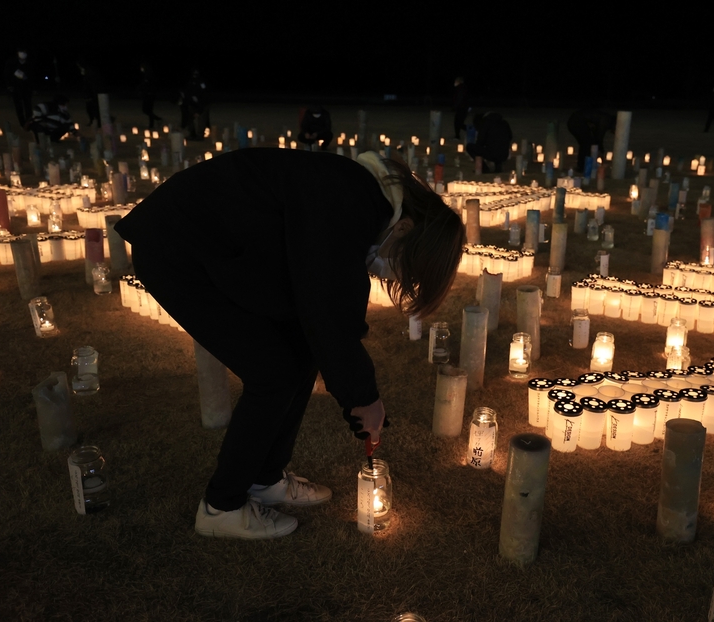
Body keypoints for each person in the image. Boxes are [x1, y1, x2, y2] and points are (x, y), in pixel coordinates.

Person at [114, 150, 465, 539]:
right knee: (273, 374)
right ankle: (222, 506)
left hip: (227, 248)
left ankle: (264, 479)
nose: (393, 274)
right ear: (405, 229)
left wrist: (356, 388)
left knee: (298, 357)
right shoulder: (348, 202)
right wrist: (363, 396)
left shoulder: (364, 199)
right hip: (180, 247)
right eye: (405, 266)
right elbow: (326, 307)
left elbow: (326, 305)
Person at [4, 48, 32, 128]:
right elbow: (7, 74)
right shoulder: (12, 63)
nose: (23, 53)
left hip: (27, 89)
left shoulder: (29, 63)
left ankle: (29, 122)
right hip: (16, 88)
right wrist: (9, 86)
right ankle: (22, 123)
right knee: (19, 107)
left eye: (25, 52)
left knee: (28, 107)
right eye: (22, 52)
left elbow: (32, 76)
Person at [180, 68, 209, 140]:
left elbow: (205, 97)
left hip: (202, 105)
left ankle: (200, 135)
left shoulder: (202, 83)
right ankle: (192, 134)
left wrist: (199, 111)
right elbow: (187, 93)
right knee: (190, 119)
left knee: (201, 120)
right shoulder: (190, 82)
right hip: (192, 104)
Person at [76, 60, 101, 128]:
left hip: (91, 94)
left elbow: (90, 85)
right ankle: (93, 120)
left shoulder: (89, 73)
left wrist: (90, 95)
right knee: (90, 109)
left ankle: (98, 122)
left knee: (94, 108)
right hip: (88, 93)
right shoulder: (85, 73)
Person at [139, 62, 161, 130]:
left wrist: (149, 92)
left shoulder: (149, 75)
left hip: (149, 95)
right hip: (147, 94)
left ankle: (157, 120)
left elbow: (150, 85)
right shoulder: (146, 75)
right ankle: (152, 124)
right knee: (148, 110)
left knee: (146, 110)